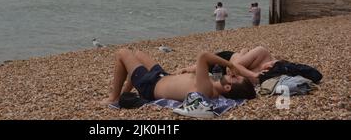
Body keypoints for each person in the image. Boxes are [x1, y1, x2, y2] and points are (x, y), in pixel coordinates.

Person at [100, 48, 256, 106]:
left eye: (234, 78)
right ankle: (126, 92)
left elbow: (203, 56)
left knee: (122, 53)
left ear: (227, 87)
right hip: (162, 76)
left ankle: (114, 97)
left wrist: (231, 65)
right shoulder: (214, 82)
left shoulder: (207, 90)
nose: (232, 74)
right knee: (139, 54)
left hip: (151, 86)